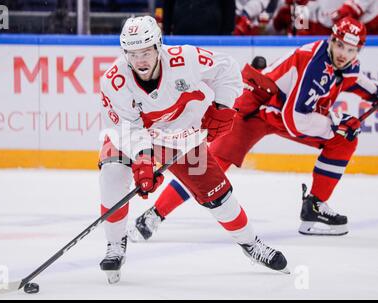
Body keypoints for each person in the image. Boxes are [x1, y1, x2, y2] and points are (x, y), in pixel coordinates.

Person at [129, 17, 378, 242]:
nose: (344, 54)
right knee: (207, 166)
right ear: (331, 40)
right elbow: (296, 120)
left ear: (358, 51)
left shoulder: (346, 65)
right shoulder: (315, 63)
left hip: (280, 112)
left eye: (351, 49)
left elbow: (356, 81)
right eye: (341, 45)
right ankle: (154, 214)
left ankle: (314, 207)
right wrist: (336, 122)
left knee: (344, 140)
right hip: (254, 110)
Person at [98, 15, 289, 284]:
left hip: (180, 137)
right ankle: (115, 244)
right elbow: (128, 128)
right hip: (131, 138)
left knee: (219, 197)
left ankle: (251, 244)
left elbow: (227, 68)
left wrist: (223, 107)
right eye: (132, 53)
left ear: (158, 46)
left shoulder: (184, 59)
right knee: (112, 173)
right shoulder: (113, 81)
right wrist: (143, 161)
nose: (139, 60)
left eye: (145, 51)